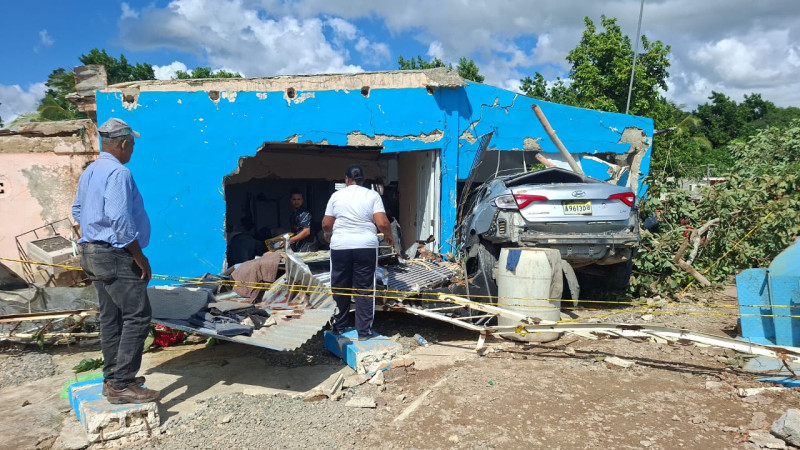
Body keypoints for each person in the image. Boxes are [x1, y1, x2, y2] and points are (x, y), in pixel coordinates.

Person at [72, 118, 159, 404]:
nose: (132, 150)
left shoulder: (90, 171)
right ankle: (122, 385)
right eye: (131, 145)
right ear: (123, 144)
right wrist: (139, 256)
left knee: (111, 317)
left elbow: (77, 210)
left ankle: (113, 378)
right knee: (138, 315)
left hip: (91, 252)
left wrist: (93, 232)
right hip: (114, 254)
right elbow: (120, 219)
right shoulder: (119, 173)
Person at [322, 165, 393, 339]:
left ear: (346, 179)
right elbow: (382, 223)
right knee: (365, 289)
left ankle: (338, 327)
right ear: (363, 179)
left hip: (340, 247)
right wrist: (389, 236)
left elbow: (326, 223)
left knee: (339, 287)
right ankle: (363, 332)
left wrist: (328, 234)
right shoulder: (372, 195)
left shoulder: (336, 196)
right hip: (365, 246)